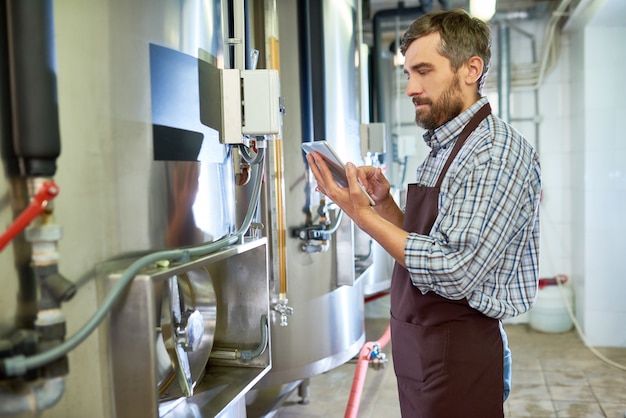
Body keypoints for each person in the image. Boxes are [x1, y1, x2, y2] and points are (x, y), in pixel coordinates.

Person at [306, 8, 541, 418]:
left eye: (423, 71)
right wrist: (384, 205)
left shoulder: (494, 152)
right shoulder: (446, 143)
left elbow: (453, 269)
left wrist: (363, 217)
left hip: (460, 355)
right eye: (407, 73)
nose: (411, 87)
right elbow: (429, 244)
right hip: (428, 351)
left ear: (471, 69)